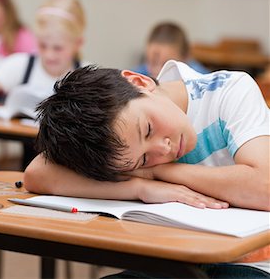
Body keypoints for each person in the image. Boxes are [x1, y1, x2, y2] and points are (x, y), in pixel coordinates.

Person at [24, 61, 269, 279]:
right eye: (143, 160)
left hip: (257, 262)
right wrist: (139, 186)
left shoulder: (228, 90)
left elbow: (265, 186)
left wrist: (160, 173)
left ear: (140, 82)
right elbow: (37, 173)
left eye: (148, 129)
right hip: (176, 260)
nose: (163, 150)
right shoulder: (126, 146)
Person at [0, 0, 88, 173]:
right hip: (27, 169)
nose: (49, 55)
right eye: (42, 46)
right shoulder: (23, 64)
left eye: (57, 48)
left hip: (72, 170)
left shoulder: (86, 75)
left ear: (78, 43)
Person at [135, 22, 208, 78]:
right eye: (152, 63)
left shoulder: (202, 80)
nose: (157, 72)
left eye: (166, 65)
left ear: (186, 57)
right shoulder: (140, 74)